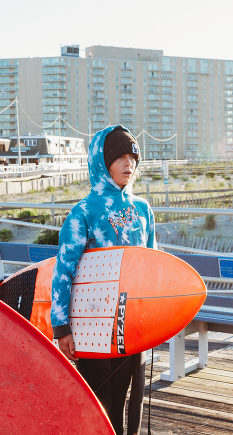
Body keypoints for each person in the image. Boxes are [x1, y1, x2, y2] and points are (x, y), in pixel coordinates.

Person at [51, 125, 156, 435]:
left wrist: (155, 316)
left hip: (133, 320)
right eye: (119, 157)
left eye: (133, 157)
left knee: (132, 396)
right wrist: (62, 327)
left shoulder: (143, 209)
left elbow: (151, 264)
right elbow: (64, 271)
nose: (128, 164)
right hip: (92, 321)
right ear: (101, 161)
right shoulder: (83, 213)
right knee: (99, 401)